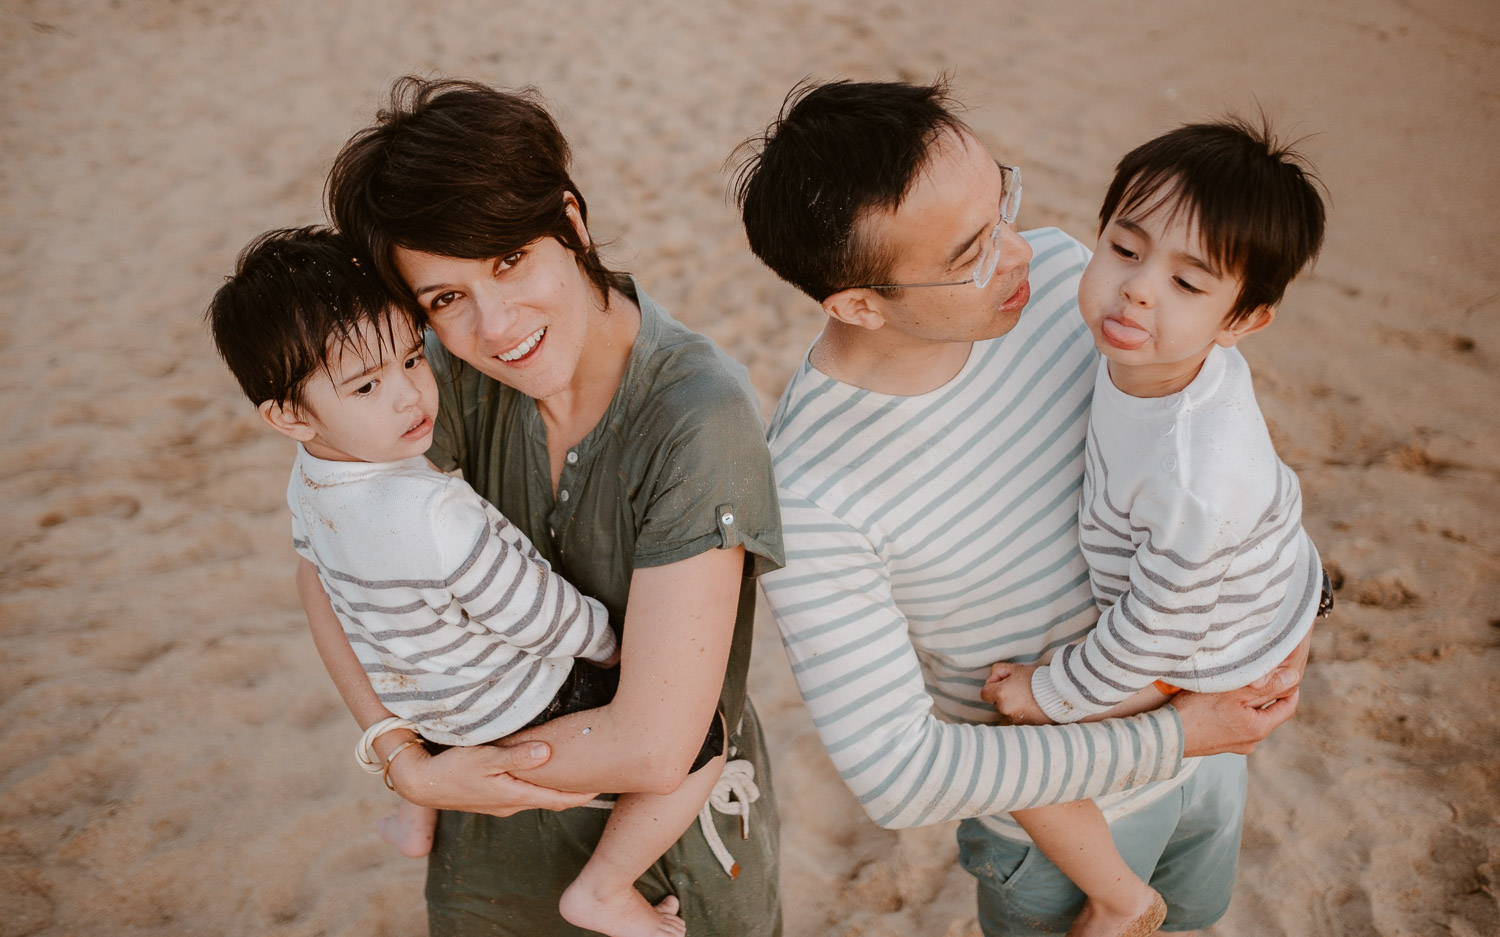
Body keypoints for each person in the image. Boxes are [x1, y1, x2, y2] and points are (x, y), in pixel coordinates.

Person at [734, 78, 1310, 937]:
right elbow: (901, 776)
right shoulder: (813, 496)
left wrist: (1299, 610)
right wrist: (1178, 734)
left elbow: (1208, 461)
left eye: (1002, 200)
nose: (1019, 252)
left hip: (1214, 756)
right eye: (970, 251)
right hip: (1062, 823)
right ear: (858, 303)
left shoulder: (1068, 283)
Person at [301, 77, 785, 937]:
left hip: (665, 867)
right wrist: (397, 754)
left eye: (509, 260)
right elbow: (324, 557)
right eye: (444, 300)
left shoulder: (696, 418)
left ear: (571, 222)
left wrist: (446, 772)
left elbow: (656, 742)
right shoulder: (438, 378)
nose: (495, 326)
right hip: (486, 855)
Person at [205, 226, 734, 937]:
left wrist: (405, 759)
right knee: (704, 740)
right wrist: (606, 642)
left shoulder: (312, 480)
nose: (409, 398)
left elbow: (323, 577)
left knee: (409, 640)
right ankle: (604, 888)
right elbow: (535, 611)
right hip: (505, 705)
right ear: (288, 416)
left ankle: (415, 811)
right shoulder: (434, 513)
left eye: (408, 360)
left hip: (421, 707)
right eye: (367, 385)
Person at [983, 118, 1331, 936]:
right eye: (1126, 249)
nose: (1137, 289)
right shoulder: (1168, 364)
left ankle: (1113, 900)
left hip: (1202, 650)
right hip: (1247, 594)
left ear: (1243, 319)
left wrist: (1051, 689)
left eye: (1189, 282)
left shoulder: (1193, 475)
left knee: (1012, 731)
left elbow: (1154, 632)